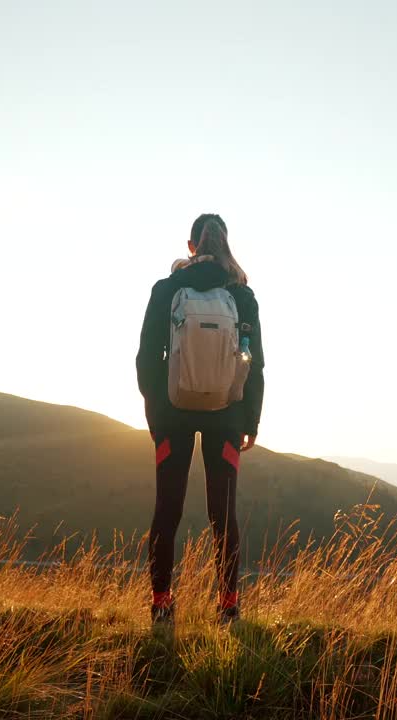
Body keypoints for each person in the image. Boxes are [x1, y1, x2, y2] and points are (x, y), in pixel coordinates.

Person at [135, 213, 265, 626]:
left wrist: (156, 412)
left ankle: (161, 603)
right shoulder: (243, 296)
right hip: (226, 415)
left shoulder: (167, 288)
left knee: (167, 507)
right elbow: (254, 365)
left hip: (171, 415)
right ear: (227, 244)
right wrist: (251, 421)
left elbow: (146, 359)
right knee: (223, 512)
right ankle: (227, 605)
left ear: (191, 246)